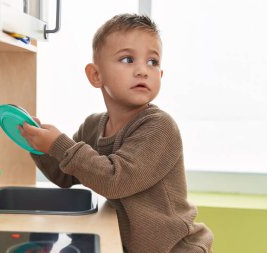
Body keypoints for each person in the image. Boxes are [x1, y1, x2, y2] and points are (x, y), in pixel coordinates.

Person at [19, 13, 213, 253]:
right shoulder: (93, 126)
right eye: (128, 59)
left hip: (175, 249)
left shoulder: (159, 127)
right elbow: (66, 175)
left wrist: (58, 144)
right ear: (96, 75)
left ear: (160, 75)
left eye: (153, 62)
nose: (143, 70)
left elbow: (115, 180)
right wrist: (39, 146)